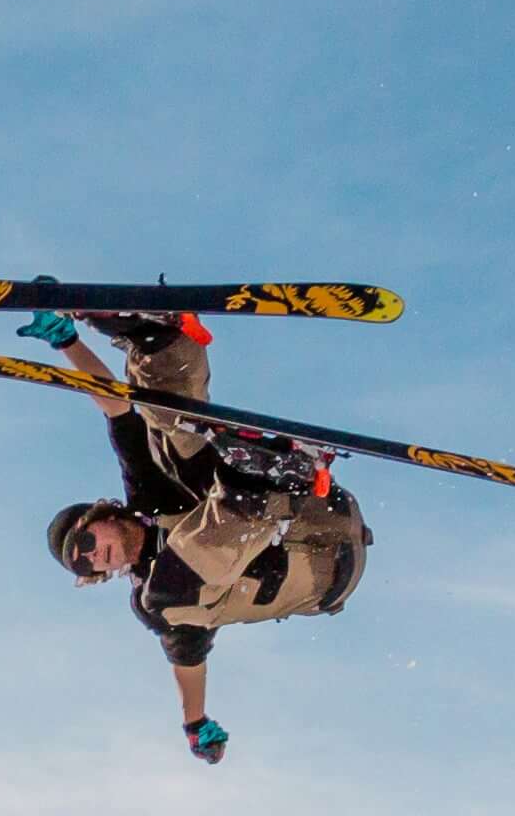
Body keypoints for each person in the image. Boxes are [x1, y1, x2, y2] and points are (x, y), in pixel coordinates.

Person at [35, 312, 368, 765]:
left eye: (85, 542)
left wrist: (67, 341)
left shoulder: (145, 495)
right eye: (84, 565)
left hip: (318, 510)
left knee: (164, 437)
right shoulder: (156, 596)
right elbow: (187, 662)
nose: (95, 558)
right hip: (323, 572)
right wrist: (195, 723)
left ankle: (161, 343)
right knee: (162, 598)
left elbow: (116, 405)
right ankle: (254, 491)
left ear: (101, 515)